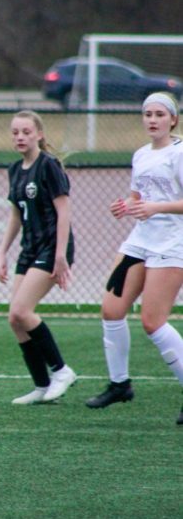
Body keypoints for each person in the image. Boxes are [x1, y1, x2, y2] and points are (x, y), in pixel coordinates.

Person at [84, 92, 183, 425]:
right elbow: (138, 197)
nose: (152, 119)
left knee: (152, 322)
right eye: (147, 114)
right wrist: (125, 206)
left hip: (171, 244)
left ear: (173, 119)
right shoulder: (140, 154)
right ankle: (119, 384)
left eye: (159, 114)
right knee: (111, 310)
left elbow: (165, 202)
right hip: (140, 240)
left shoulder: (179, 152)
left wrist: (156, 207)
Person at [0, 110, 77, 404]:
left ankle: (62, 370)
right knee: (15, 319)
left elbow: (63, 211)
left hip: (51, 248)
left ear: (39, 135)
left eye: (26, 132)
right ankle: (42, 385)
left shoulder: (49, 166)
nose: (20, 137)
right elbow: (16, 213)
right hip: (29, 250)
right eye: (15, 132)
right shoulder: (15, 169)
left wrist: (60, 256)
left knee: (21, 310)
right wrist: (2, 252)